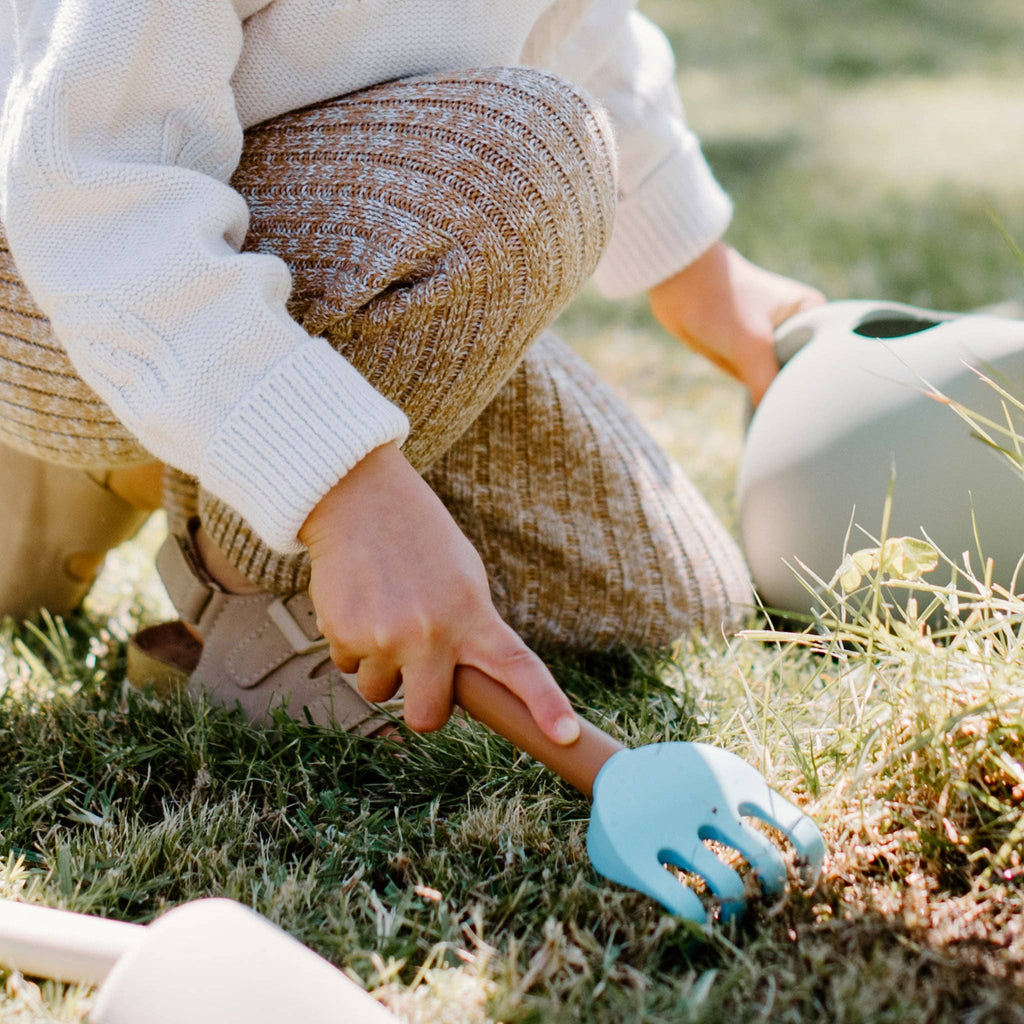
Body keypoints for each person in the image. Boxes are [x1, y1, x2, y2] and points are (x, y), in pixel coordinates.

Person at [0, 0, 823, 740]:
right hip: (58, 258)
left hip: (321, 252)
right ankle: (244, 590)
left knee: (663, 601)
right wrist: (339, 489)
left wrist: (698, 272)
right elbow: (83, 184)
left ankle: (144, 453)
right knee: (524, 157)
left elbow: (581, 22)